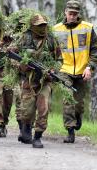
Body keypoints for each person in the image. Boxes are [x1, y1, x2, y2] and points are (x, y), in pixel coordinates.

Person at [53, 0, 97, 143]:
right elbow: (51, 51)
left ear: (78, 14)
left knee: (78, 104)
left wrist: (89, 67)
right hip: (64, 70)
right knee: (68, 99)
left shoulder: (87, 28)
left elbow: (96, 50)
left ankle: (78, 116)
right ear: (65, 13)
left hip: (82, 70)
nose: (72, 16)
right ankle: (70, 131)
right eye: (70, 13)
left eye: (75, 14)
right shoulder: (56, 29)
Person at [16, 13, 62, 148]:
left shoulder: (51, 40)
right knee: (27, 110)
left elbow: (59, 59)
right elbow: (12, 57)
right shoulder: (24, 39)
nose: (42, 28)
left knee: (43, 108)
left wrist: (53, 70)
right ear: (32, 26)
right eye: (39, 26)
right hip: (28, 80)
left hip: (45, 81)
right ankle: (25, 128)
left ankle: (38, 136)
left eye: (44, 25)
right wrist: (22, 65)